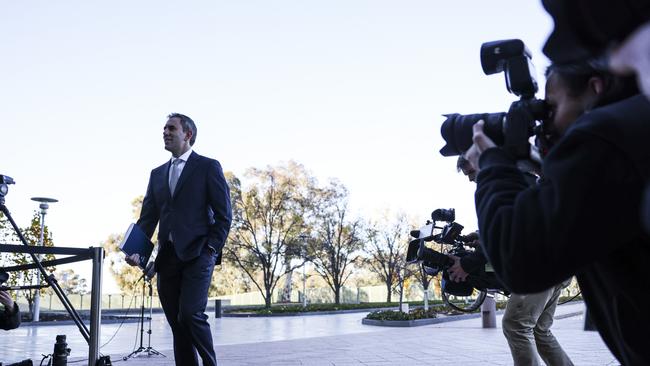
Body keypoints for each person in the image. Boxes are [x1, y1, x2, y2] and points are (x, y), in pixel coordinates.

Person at [466, 47, 649, 364]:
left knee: (519, 325)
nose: (547, 124)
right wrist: (544, 166)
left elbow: (520, 257)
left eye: (552, 108)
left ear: (595, 88)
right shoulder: (635, 125)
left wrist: (493, 167)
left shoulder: (607, 133)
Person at [126, 113, 232, 366]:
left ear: (188, 134)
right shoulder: (157, 173)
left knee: (190, 314)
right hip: (167, 258)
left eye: (171, 128)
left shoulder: (208, 166)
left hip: (199, 253)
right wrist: (137, 251)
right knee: (176, 321)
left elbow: (224, 215)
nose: (165, 132)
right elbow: (148, 218)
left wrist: (211, 249)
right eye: (164, 128)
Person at [454, 156, 573, 366]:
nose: (471, 179)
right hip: (555, 263)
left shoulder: (503, 181)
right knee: (539, 330)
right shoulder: (517, 176)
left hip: (539, 266)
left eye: (471, 172)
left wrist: (466, 264)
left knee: (516, 325)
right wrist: (482, 235)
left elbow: (505, 232)